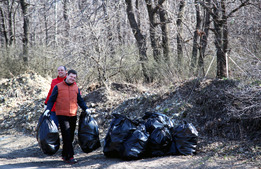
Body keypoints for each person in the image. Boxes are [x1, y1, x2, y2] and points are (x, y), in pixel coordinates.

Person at [44, 69, 89, 164]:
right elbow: (51, 100)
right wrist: (48, 109)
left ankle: (65, 155)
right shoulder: (58, 87)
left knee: (70, 136)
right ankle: (71, 156)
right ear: (67, 76)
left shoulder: (76, 88)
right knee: (67, 135)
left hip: (73, 114)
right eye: (71, 76)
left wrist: (86, 108)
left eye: (74, 77)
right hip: (61, 114)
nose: (72, 79)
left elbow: (80, 100)